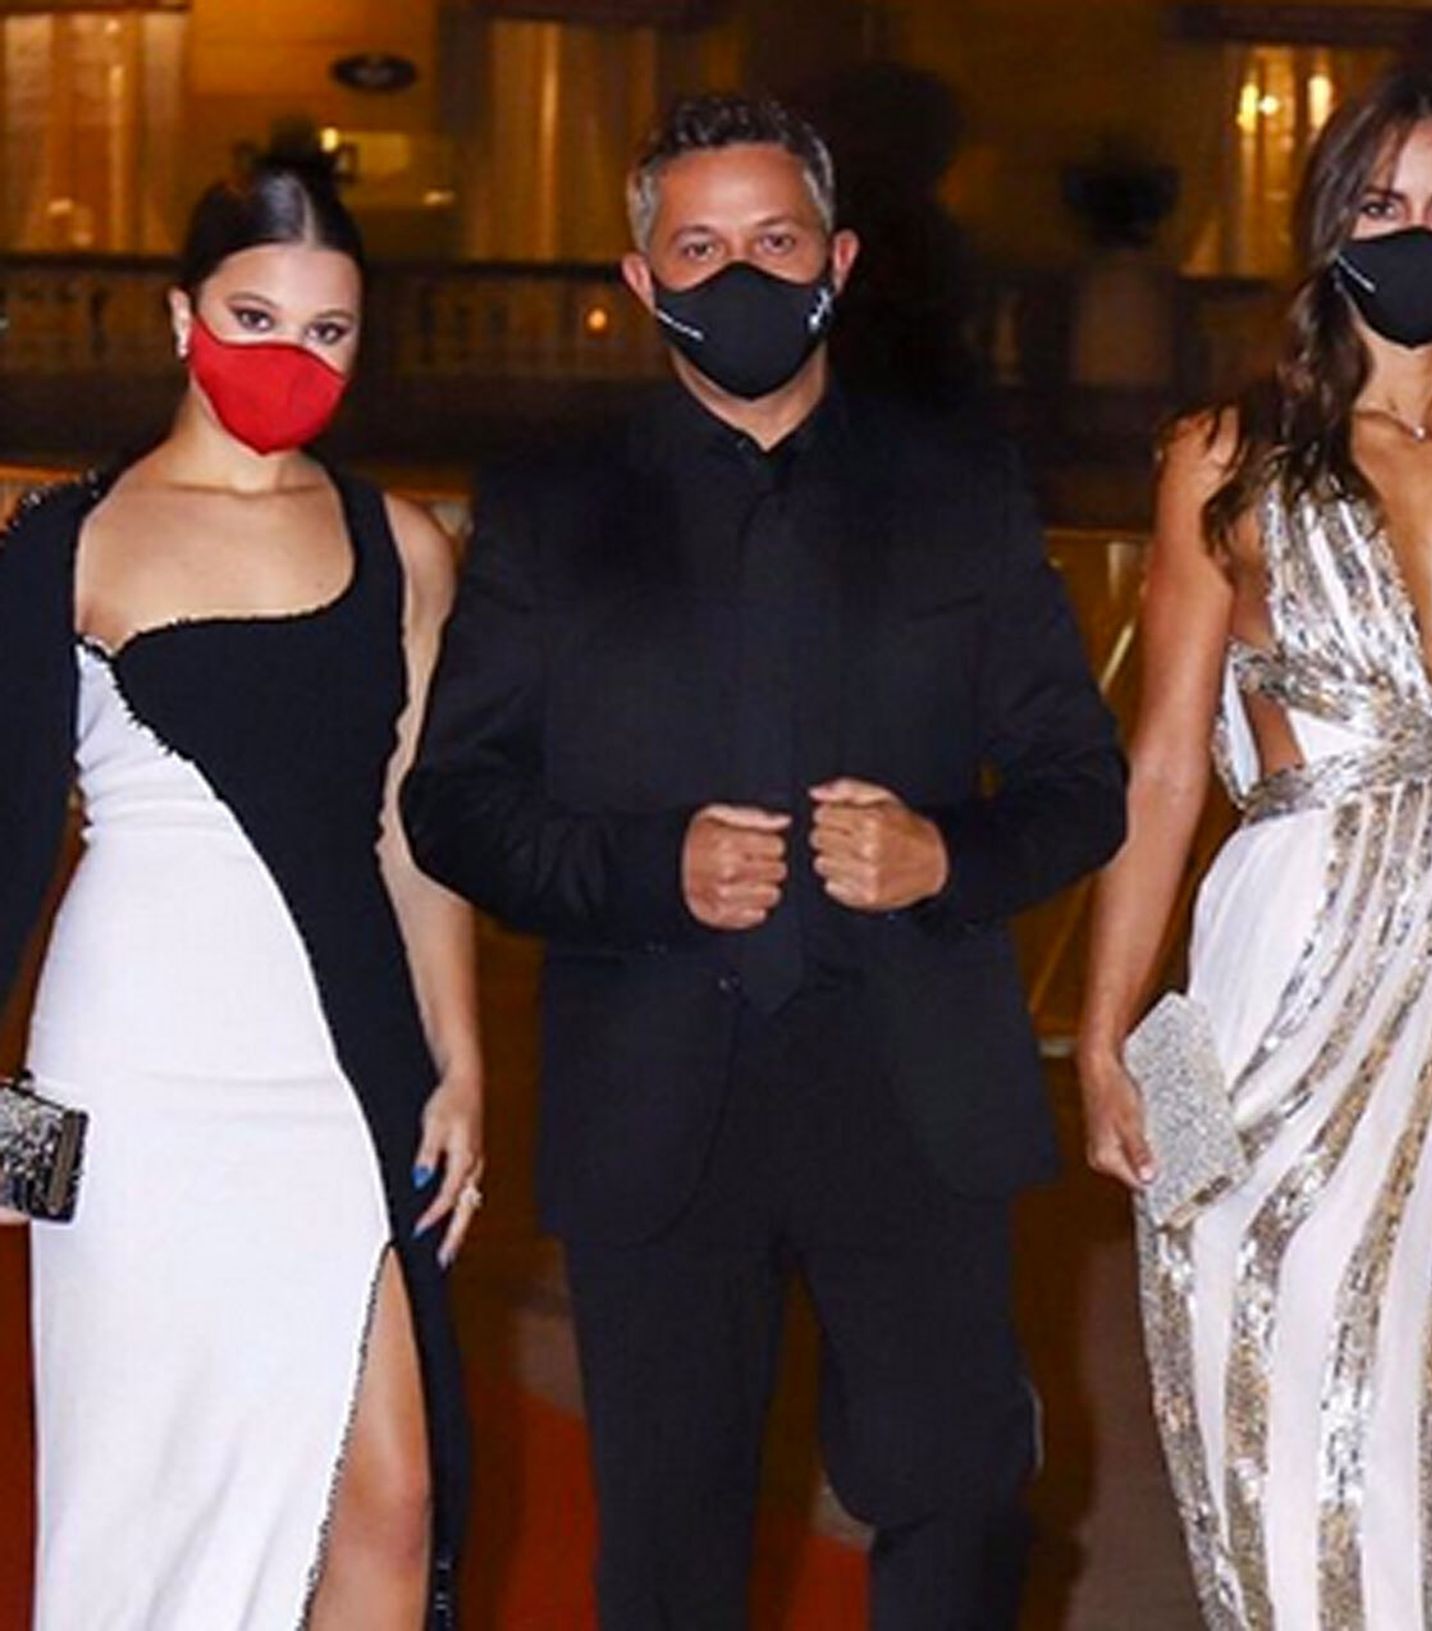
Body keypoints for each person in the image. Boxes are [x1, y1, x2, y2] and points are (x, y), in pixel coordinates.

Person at [403, 93, 1125, 1629]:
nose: (740, 275)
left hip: (913, 1088)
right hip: (660, 1098)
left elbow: (1081, 787)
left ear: (839, 259)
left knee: (957, 1500)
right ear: (641, 276)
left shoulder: (961, 490)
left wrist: (947, 853)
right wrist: (648, 868)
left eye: (775, 240)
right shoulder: (549, 507)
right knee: (667, 1555)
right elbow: (456, 804)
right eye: (702, 246)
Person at [1078, 63, 1432, 1628]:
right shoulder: (1224, 458)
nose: (1419, 237)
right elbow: (1166, 769)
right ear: (1326, 231)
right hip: (1275, 963)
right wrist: (1106, 1037)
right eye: (1382, 208)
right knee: (1251, 1339)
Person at [0, 159, 483, 1629]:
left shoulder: (401, 541)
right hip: (128, 1067)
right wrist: (13, 1151)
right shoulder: (63, 543)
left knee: (395, 1498)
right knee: (141, 1478)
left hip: (341, 1062)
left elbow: (417, 822)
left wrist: (462, 1061)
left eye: (328, 331)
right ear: (179, 315)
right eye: (255, 314)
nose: (290, 356)